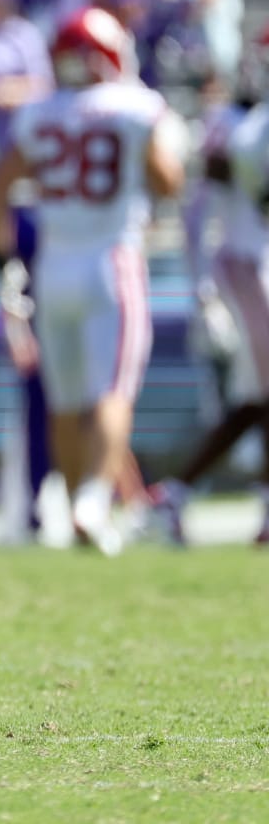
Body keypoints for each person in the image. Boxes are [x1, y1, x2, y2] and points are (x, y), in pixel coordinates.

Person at [0, 7, 185, 556]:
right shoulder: (136, 107)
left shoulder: (39, 112)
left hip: (53, 266)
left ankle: (76, 503)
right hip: (111, 259)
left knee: (66, 398)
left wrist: (3, 256)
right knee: (113, 389)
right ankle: (94, 501)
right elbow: (169, 181)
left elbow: (0, 183)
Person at [153, 73, 269, 544]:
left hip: (246, 261)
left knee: (254, 399)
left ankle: (175, 493)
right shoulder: (242, 127)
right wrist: (200, 278)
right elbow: (220, 184)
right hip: (245, 264)